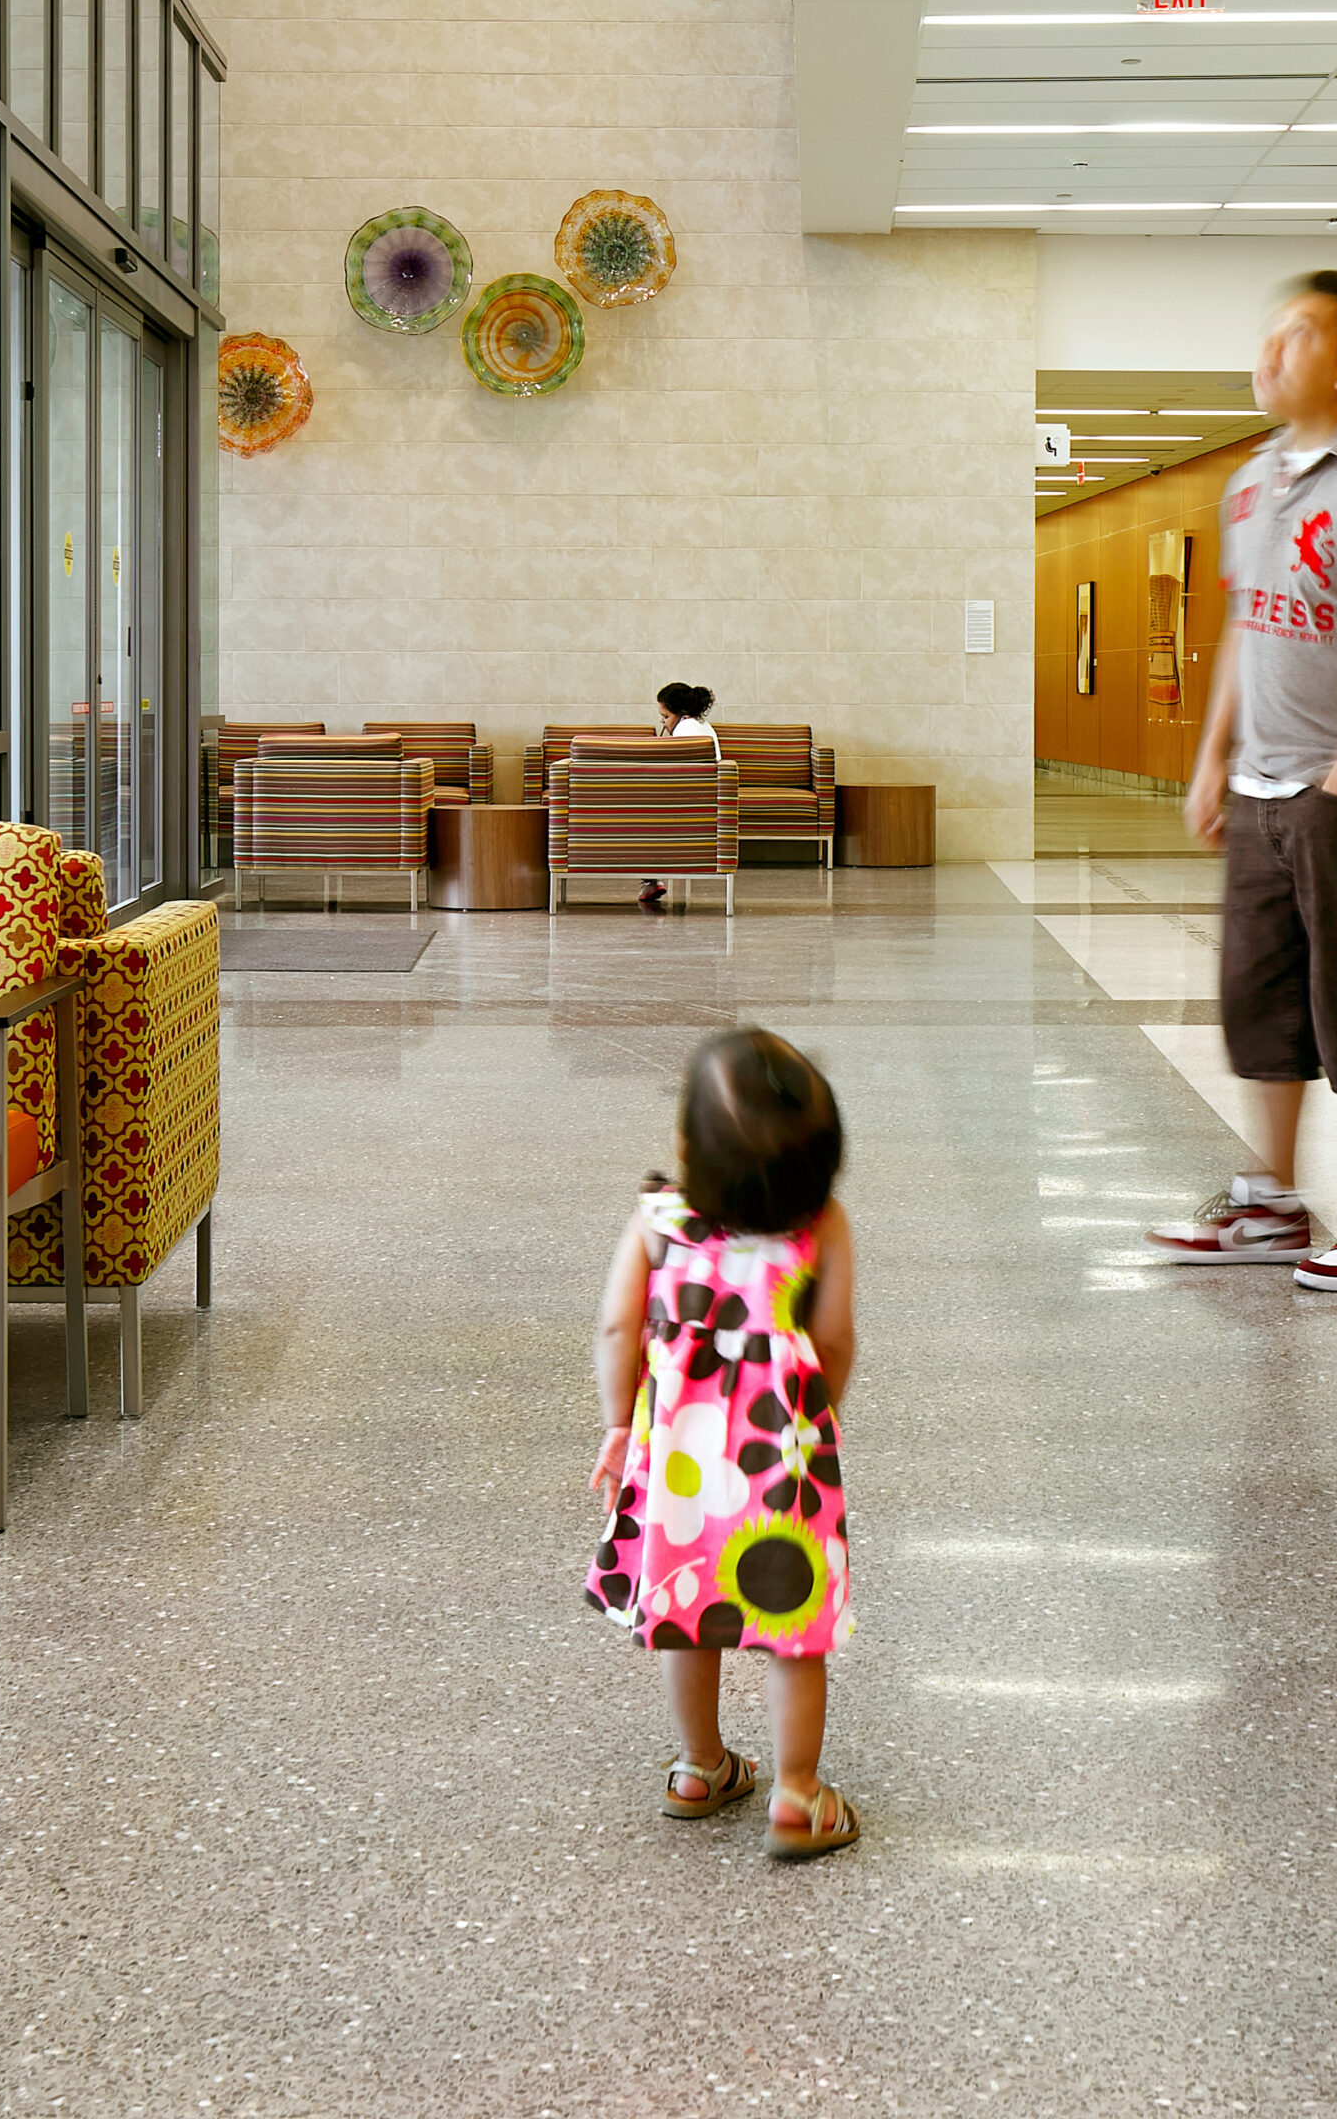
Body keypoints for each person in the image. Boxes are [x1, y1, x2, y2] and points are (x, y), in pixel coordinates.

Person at [1146, 269, 1337, 1294]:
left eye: (1298, 336)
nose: (1269, 352)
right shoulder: (1250, 482)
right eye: (1268, 332)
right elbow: (1243, 625)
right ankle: (1270, 1200)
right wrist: (1211, 760)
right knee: (1262, 1002)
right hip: (1262, 790)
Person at [584, 1024, 860, 1859]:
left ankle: (701, 1767)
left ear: (685, 1149)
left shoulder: (657, 1224)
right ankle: (796, 1794)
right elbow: (837, 1338)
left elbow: (615, 1327)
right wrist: (815, 1413)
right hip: (782, 1460)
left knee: (690, 1614)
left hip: (678, 1459)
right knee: (792, 1630)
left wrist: (618, 1423)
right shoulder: (821, 1228)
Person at [639, 682, 720, 904]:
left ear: (680, 713)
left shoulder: (685, 732)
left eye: (665, 717)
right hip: (704, 803)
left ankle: (651, 881)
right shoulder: (704, 727)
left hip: (686, 807)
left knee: (639, 820)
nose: (661, 722)